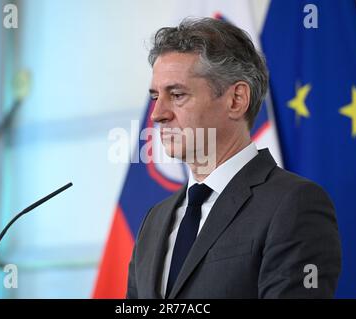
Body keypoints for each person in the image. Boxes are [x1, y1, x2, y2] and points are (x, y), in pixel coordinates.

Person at [126, 17, 341, 299]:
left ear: (236, 99)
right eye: (155, 96)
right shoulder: (155, 220)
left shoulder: (294, 204)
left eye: (177, 94)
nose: (157, 114)